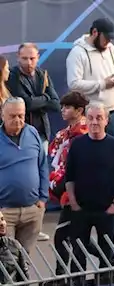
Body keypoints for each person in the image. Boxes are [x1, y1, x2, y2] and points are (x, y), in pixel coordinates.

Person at [62, 102, 114, 271]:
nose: (94, 122)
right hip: (81, 210)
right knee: (78, 257)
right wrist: (74, 203)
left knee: (106, 256)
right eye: (90, 118)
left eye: (99, 118)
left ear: (107, 120)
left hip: (106, 210)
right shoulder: (77, 145)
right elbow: (69, 176)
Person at [0, 97, 48, 257]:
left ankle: (25, 283)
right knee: (7, 260)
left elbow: (42, 165)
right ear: (2, 115)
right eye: (12, 116)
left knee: (24, 259)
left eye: (21, 115)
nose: (17, 120)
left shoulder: (33, 133)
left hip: (32, 210)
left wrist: (42, 199)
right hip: (5, 212)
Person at [65, 19, 114, 138]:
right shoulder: (77, 53)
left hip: (112, 112)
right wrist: (103, 84)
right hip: (91, 116)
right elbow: (73, 84)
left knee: (112, 152)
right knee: (91, 152)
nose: (109, 41)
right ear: (95, 32)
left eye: (111, 39)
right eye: (107, 37)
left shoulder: (110, 48)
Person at [7, 44, 58, 145]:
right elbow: (26, 104)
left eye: (32, 58)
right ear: (18, 57)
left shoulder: (43, 75)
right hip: (21, 134)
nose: (28, 62)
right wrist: (46, 98)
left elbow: (56, 104)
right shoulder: (12, 75)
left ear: (38, 57)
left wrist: (37, 101)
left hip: (42, 134)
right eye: (24, 58)